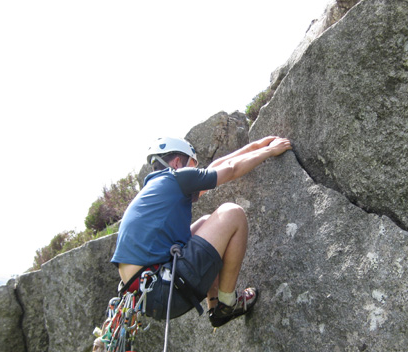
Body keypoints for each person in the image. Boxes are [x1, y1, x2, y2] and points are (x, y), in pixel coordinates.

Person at [111, 135, 292, 327]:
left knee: (207, 222)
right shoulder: (176, 178)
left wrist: (255, 145)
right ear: (178, 162)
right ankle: (228, 303)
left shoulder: (157, 187)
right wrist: (269, 151)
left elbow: (213, 168)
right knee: (232, 213)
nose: (195, 171)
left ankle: (214, 305)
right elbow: (230, 169)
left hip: (148, 293)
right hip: (165, 289)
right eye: (192, 165)